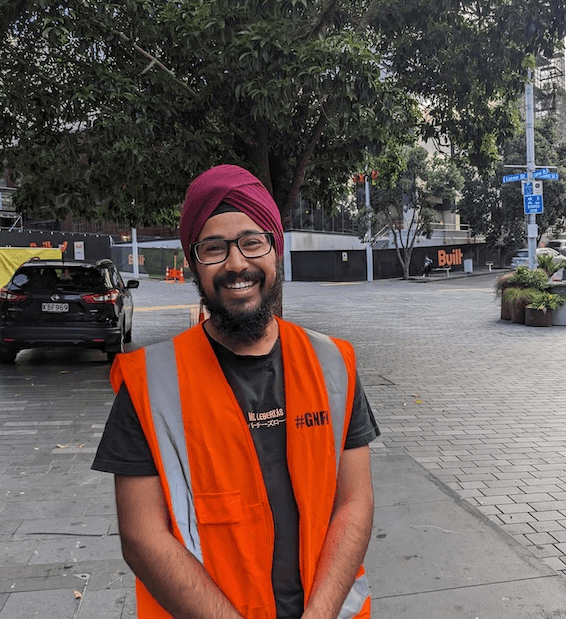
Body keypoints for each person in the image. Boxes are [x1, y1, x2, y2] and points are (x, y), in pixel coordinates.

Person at [92, 165, 379, 619]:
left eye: (252, 241)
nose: (236, 264)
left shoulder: (334, 364)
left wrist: (320, 614)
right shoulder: (147, 384)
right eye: (214, 248)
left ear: (275, 250)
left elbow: (355, 501)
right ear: (192, 263)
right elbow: (142, 538)